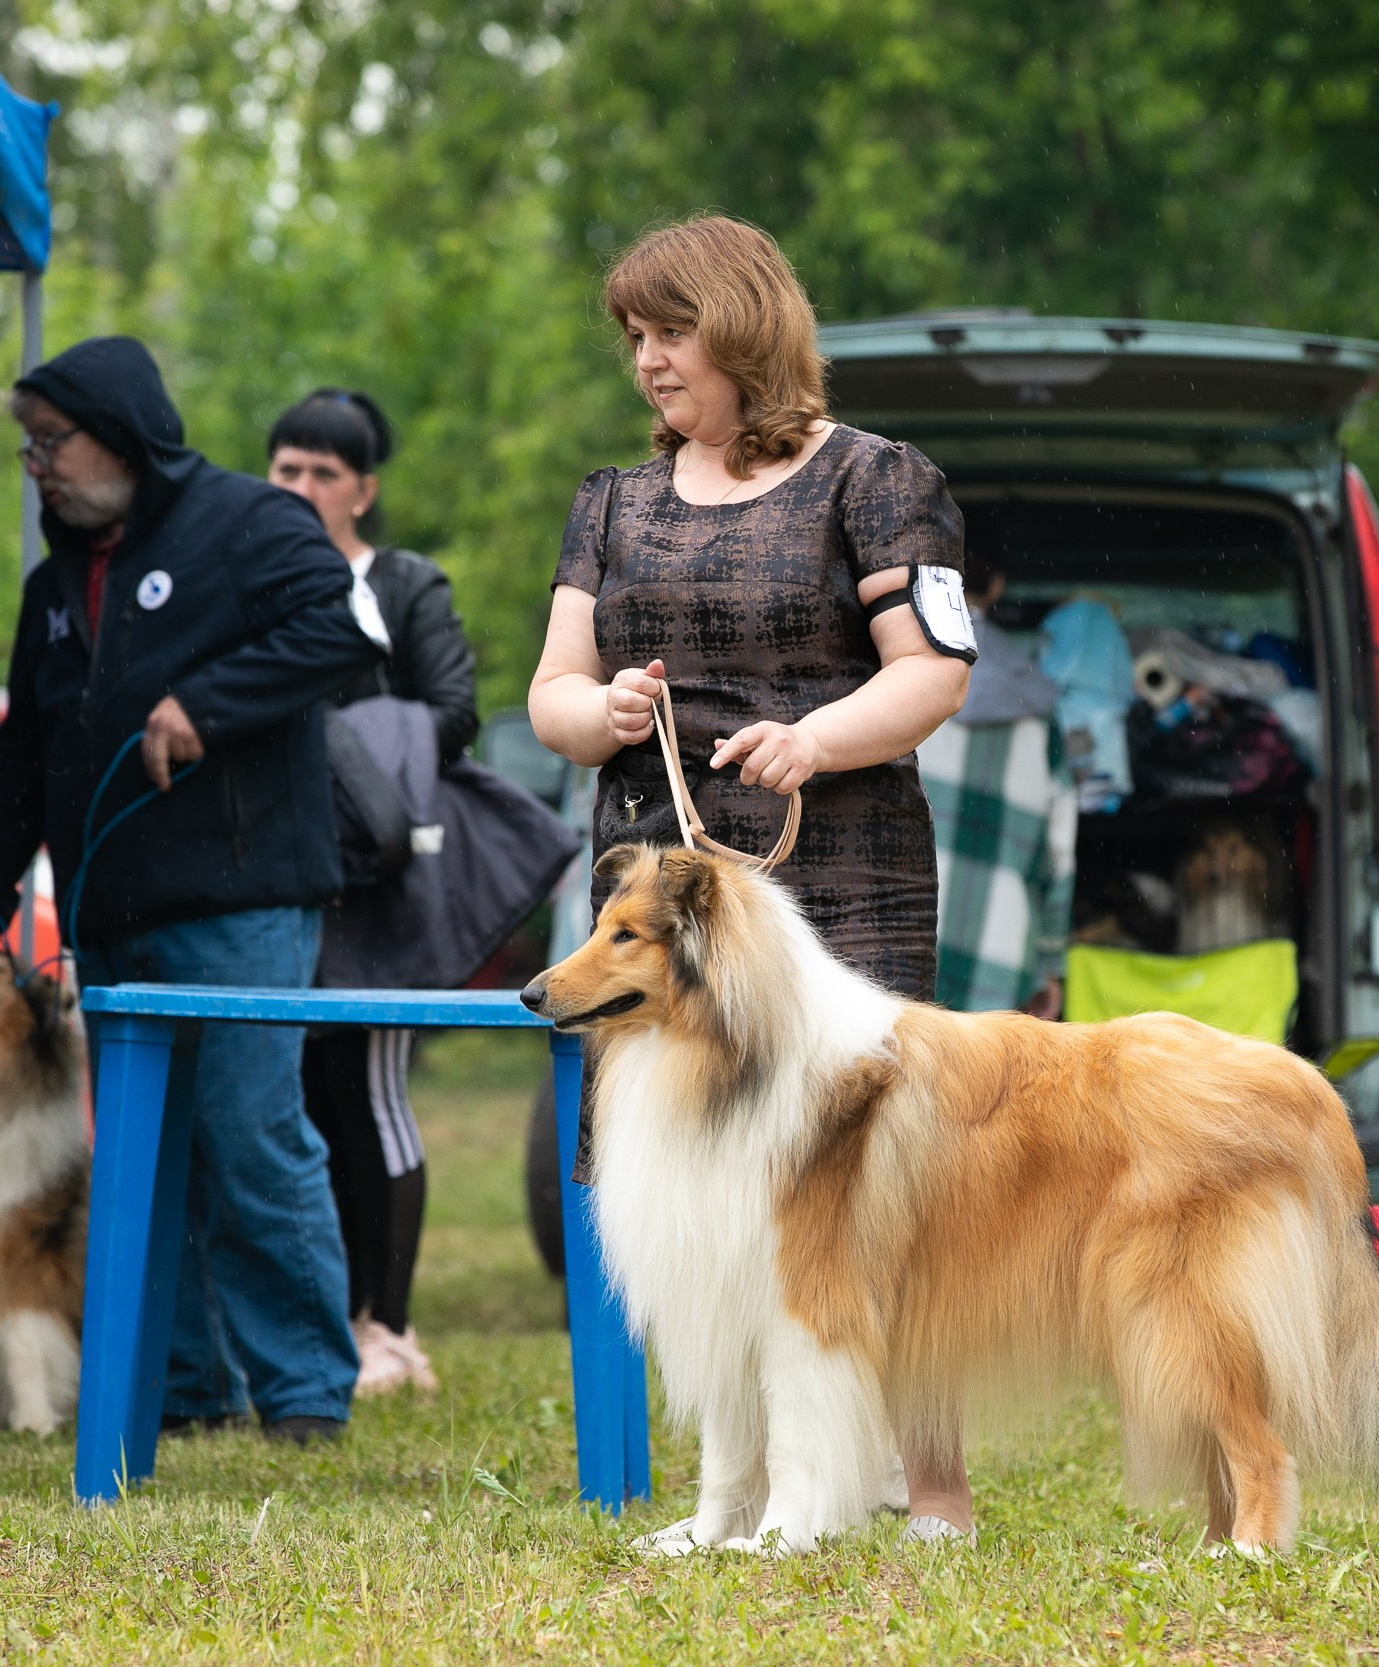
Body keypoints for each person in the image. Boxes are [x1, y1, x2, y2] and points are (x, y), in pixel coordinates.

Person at [525, 215, 977, 1540]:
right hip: (659, 902)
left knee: (878, 1181)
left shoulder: (880, 480)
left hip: (838, 876)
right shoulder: (610, 503)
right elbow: (549, 689)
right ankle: (754, 1490)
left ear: (744, 326)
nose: (649, 362)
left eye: (671, 332)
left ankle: (932, 1494)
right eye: (635, 340)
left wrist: (813, 739)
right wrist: (594, 708)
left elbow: (934, 674)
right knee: (694, 1189)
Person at [0, 336, 385, 1444]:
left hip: (239, 898)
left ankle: (304, 1396)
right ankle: (185, 1387)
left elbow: (341, 632)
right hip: (114, 913)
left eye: (55, 441)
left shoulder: (251, 524)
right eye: (26, 446)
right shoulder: (53, 589)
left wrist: (209, 702)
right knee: (146, 1155)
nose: (37, 463)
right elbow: (28, 759)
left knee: (248, 1139)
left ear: (126, 431)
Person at [267, 388, 478, 1396]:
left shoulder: (402, 584)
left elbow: (454, 712)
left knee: (373, 1097)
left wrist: (342, 748)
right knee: (294, 1097)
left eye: (323, 473)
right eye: (287, 469)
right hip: (281, 873)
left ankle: (386, 1327)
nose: (303, 488)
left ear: (365, 489)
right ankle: (317, 1314)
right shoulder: (251, 570)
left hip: (386, 881)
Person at [916, 551, 1076, 1018]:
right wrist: (1050, 959)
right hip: (1002, 942)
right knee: (988, 1089)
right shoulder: (1038, 702)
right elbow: (1058, 849)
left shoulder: (889, 677)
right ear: (997, 586)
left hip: (904, 926)